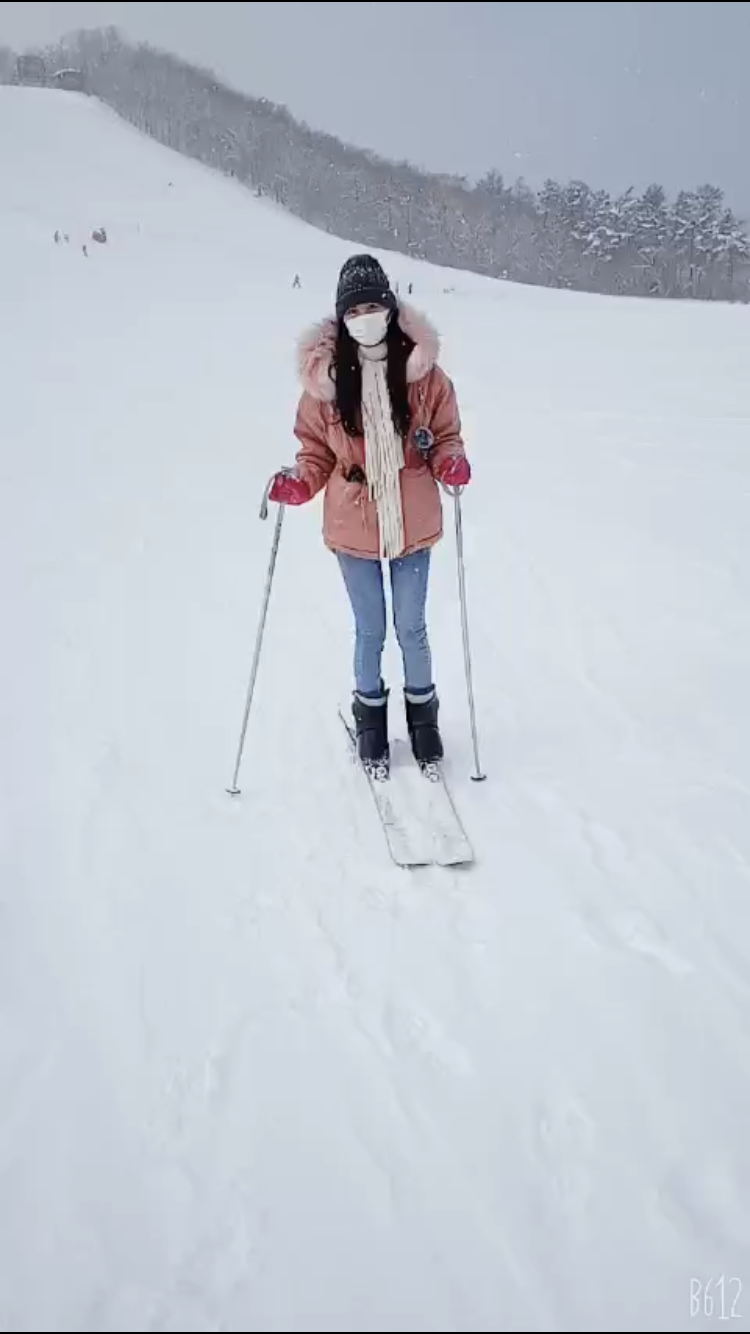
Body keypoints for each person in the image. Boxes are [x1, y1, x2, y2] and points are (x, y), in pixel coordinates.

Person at [269, 254, 471, 773]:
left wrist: (449, 461)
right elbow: (315, 452)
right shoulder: (325, 384)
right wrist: (299, 482)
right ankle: (371, 722)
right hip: (353, 523)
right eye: (354, 310)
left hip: (412, 520)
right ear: (342, 317)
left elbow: (445, 434)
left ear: (390, 308)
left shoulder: (425, 376)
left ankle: (424, 721)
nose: (365, 318)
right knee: (370, 629)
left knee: (412, 627)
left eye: (372, 307)